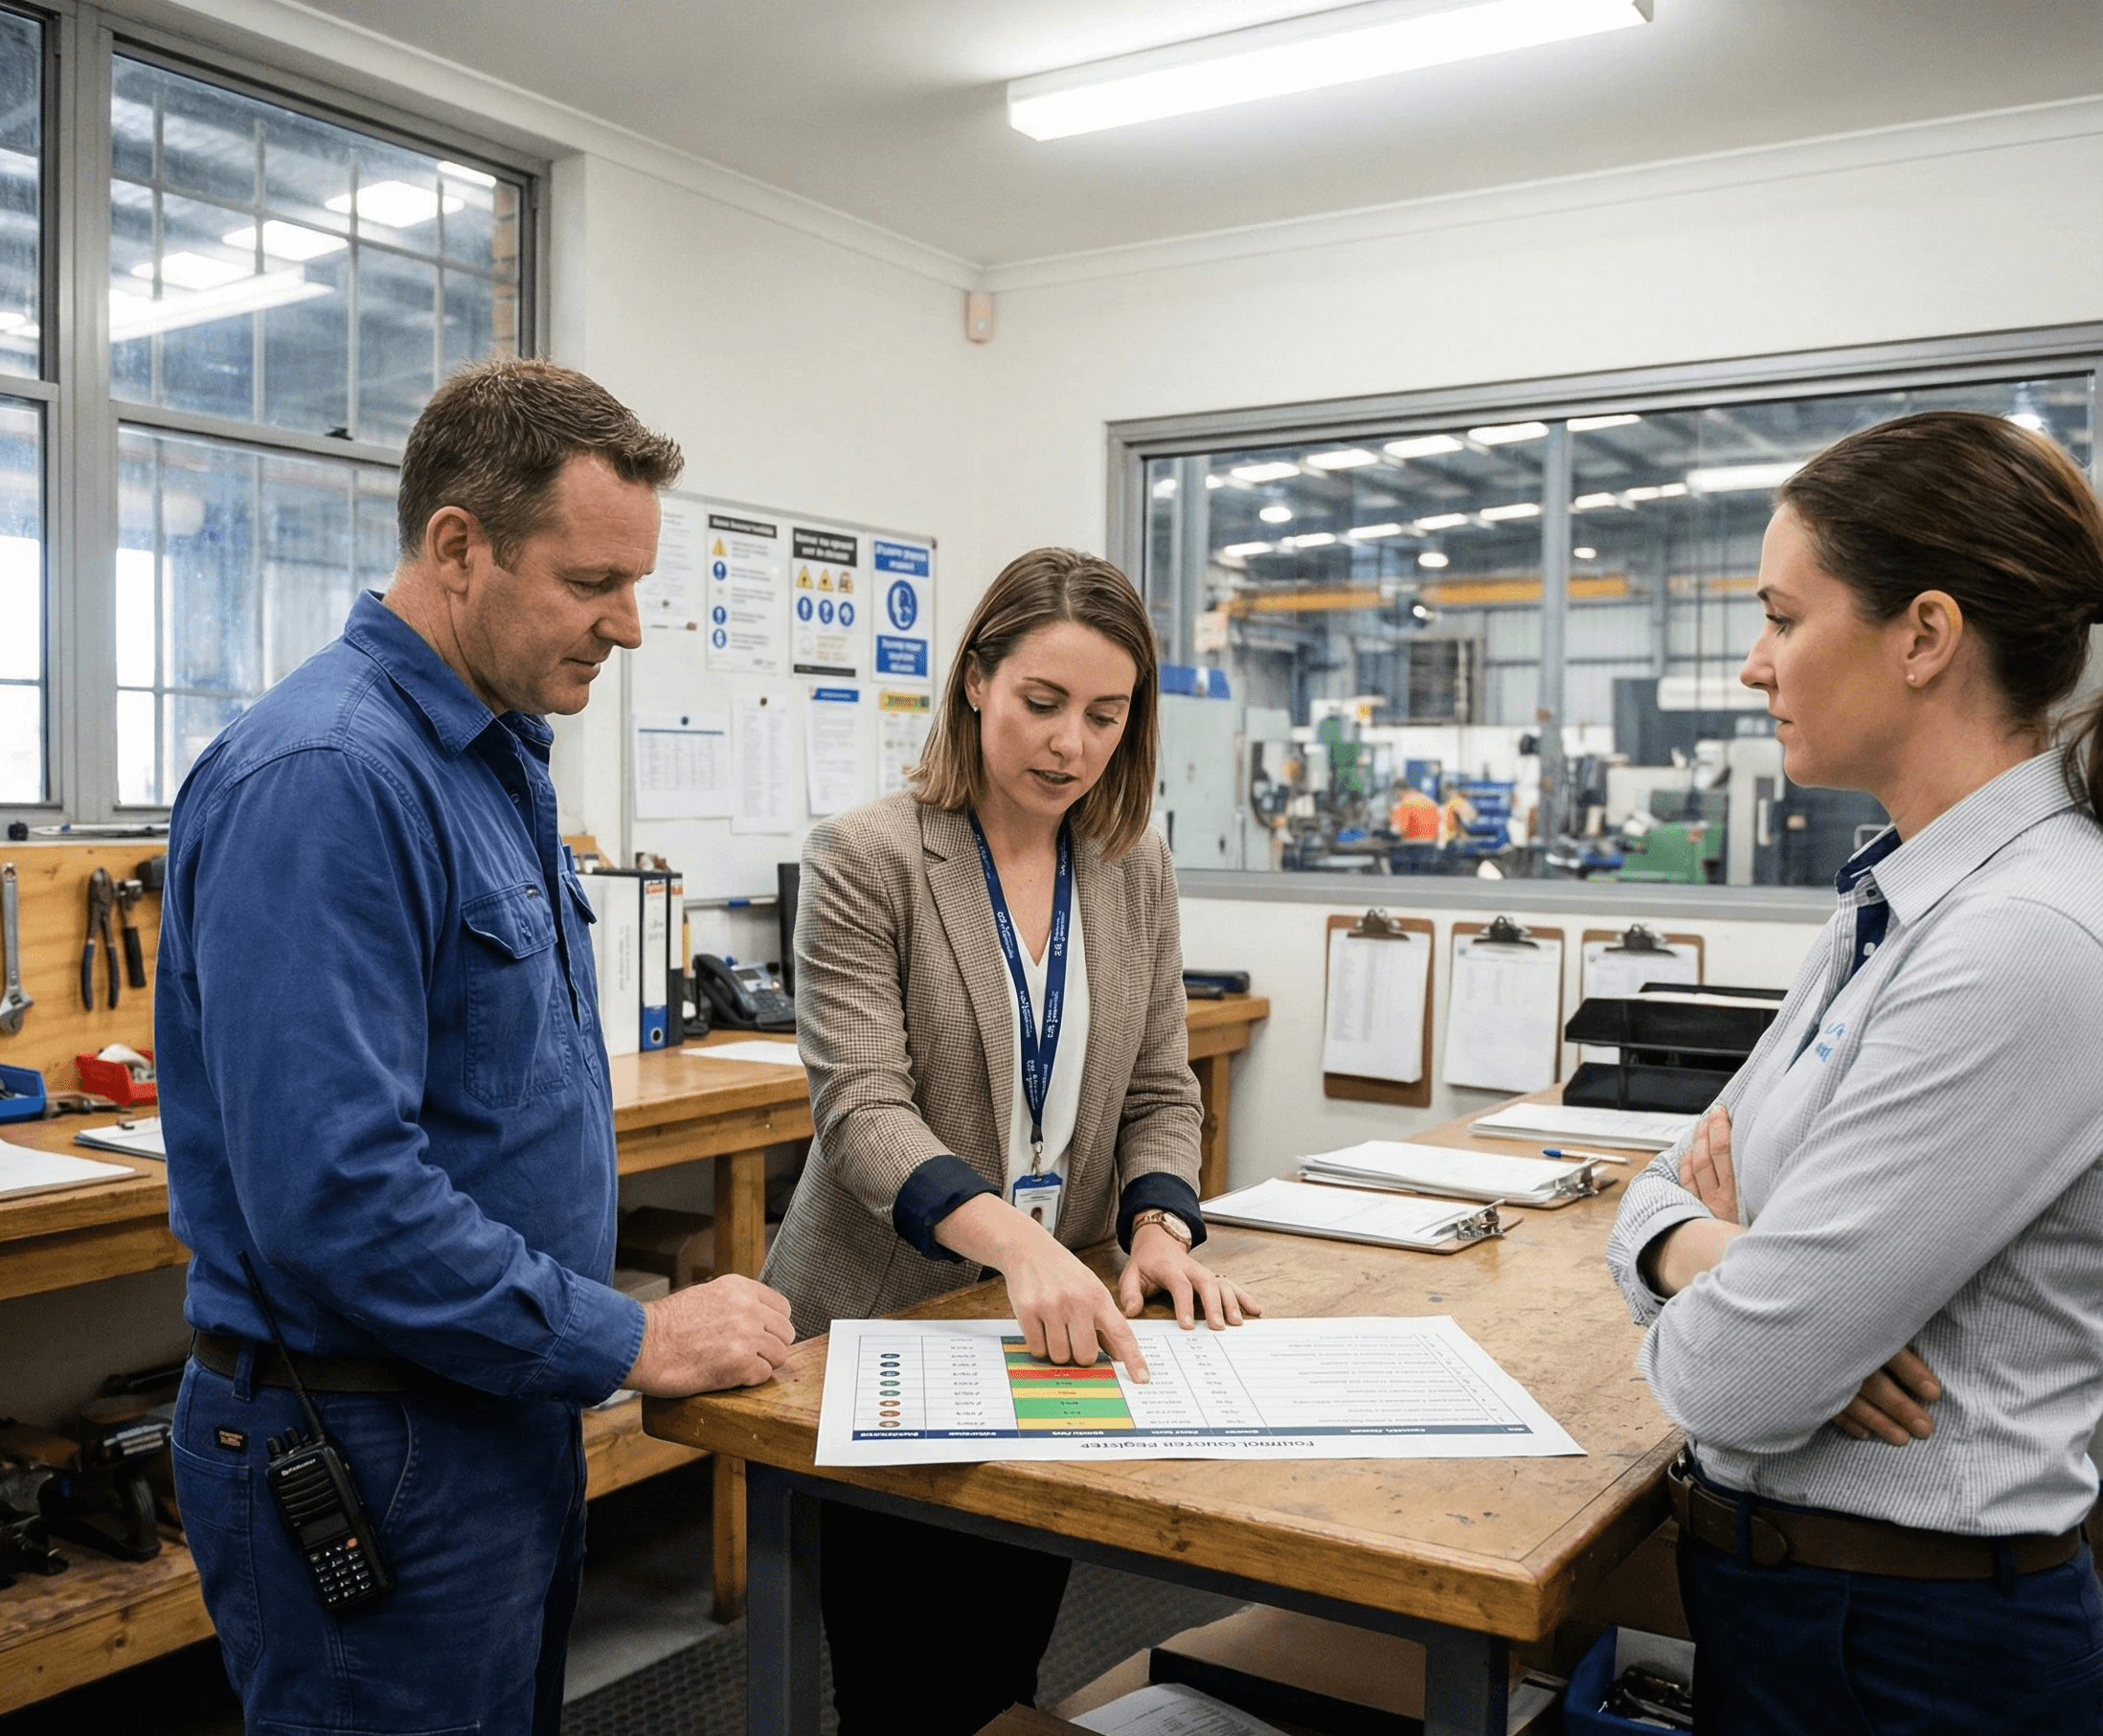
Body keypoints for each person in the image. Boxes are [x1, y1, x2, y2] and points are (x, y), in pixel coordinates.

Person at [158, 358, 794, 1736]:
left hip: (490, 1415)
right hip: (370, 1436)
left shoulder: (488, 758)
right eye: (589, 582)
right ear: (459, 545)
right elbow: (337, 1198)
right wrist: (631, 1333)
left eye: (636, 583)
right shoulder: (329, 778)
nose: (626, 625)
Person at [1603, 410, 2103, 1732]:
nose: (1756, 665)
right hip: (1808, 1615)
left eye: (1783, 615)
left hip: (1912, 1652)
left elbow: (1737, 1382)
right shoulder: (1901, 896)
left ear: (1925, 635)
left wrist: (1764, 1293)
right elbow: (1655, 1186)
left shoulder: (2024, 942)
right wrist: (1719, 1251)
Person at [762, 546, 1260, 1736]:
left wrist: (1156, 1225)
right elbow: (863, 1108)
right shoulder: (866, 855)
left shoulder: (1130, 862)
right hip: (884, 1321)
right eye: (1043, 704)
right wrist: (1019, 1246)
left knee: (1000, 1674)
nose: (1071, 746)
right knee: (905, 1689)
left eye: (1105, 715)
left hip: (1053, 1334)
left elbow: (1158, 1082)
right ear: (977, 679)